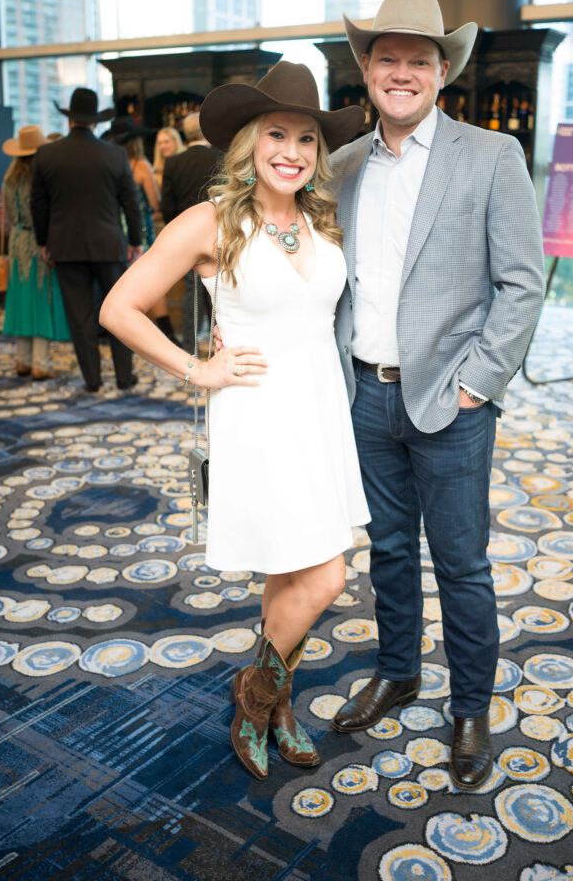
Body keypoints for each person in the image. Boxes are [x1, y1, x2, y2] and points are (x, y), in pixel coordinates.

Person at [100, 61, 369, 779]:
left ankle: (273, 701)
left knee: (294, 569)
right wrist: (199, 368)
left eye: (307, 139)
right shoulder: (210, 221)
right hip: (258, 413)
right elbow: (119, 308)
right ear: (249, 142)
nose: (292, 151)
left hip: (319, 412)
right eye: (276, 134)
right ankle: (257, 699)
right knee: (326, 577)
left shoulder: (319, 220)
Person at [328, 0, 546, 791]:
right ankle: (398, 671)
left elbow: (521, 285)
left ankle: (468, 707)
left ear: (442, 71)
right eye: (388, 58)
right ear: (367, 69)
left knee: (461, 564)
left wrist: (479, 385)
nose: (403, 71)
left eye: (419, 59)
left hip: (451, 402)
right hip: (364, 395)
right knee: (386, 550)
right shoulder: (343, 164)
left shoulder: (491, 157)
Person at [31, 86, 142, 393]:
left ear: (70, 119)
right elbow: (130, 203)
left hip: (65, 247)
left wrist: (43, 242)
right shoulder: (116, 154)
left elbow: (38, 205)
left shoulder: (47, 154)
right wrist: (135, 240)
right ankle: (125, 376)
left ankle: (92, 380)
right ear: (95, 121)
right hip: (109, 245)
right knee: (121, 312)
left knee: (79, 318)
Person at [1, 124, 71, 379]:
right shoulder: (40, 177)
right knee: (42, 299)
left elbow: (8, 215)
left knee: (21, 300)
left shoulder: (9, 179)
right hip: (37, 242)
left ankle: (22, 360)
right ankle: (41, 363)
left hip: (16, 239)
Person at [110, 115, 176, 341]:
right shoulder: (141, 166)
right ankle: (167, 334)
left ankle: (129, 335)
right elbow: (155, 202)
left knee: (123, 287)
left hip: (116, 232)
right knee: (153, 285)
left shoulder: (112, 165)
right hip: (141, 231)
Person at [160, 113, 220, 349]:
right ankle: (221, 348)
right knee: (218, 293)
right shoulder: (221, 158)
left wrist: (175, 233)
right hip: (219, 235)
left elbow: (167, 205)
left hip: (185, 237)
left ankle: (188, 348)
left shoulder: (174, 163)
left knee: (191, 293)